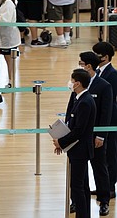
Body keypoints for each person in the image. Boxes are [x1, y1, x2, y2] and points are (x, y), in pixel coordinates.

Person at [72, 52, 113, 216]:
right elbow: (71, 106)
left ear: (88, 65)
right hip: (79, 137)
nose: (79, 64)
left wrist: (101, 136)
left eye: (81, 62)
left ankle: (104, 200)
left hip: (95, 136)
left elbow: (106, 112)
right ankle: (78, 201)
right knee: (79, 173)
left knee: (99, 167)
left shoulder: (104, 86)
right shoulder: (79, 83)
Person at [54, 69, 96, 218]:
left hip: (80, 151)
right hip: (77, 149)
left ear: (77, 83)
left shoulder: (85, 102)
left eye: (72, 80)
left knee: (77, 186)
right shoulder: (79, 99)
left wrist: (61, 141)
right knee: (82, 186)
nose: (70, 83)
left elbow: (79, 130)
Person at [94, 41, 117, 199]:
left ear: (105, 57)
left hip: (111, 118)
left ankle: (110, 187)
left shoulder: (113, 74)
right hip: (99, 118)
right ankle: (102, 186)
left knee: (111, 153)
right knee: (100, 155)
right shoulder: (97, 72)